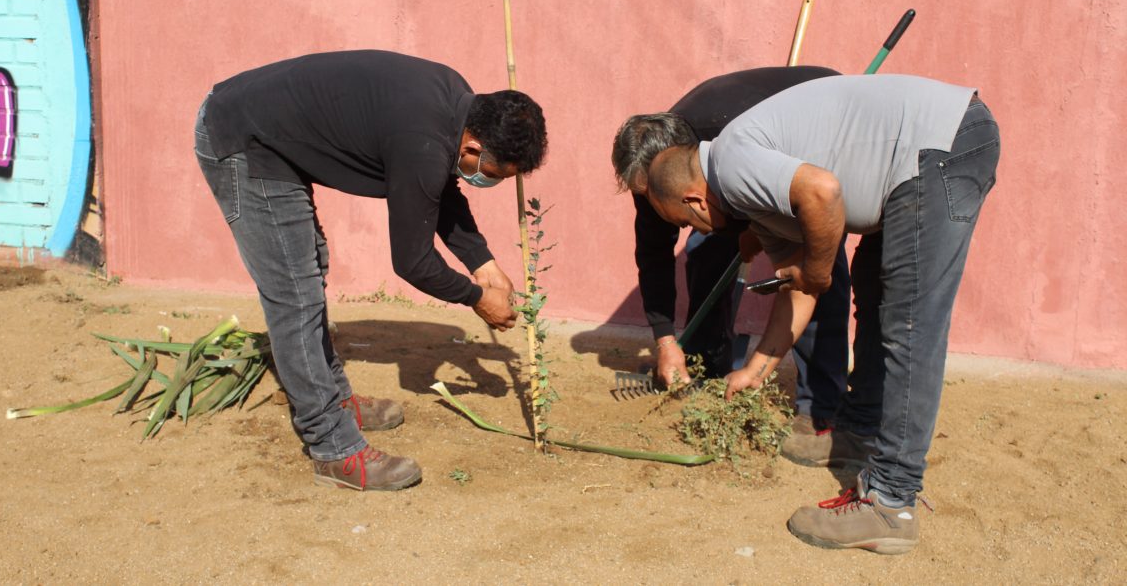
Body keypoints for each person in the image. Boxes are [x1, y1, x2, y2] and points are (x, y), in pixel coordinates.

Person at [644, 73, 998, 554]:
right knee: (876, 296)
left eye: (688, 222)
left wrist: (817, 269)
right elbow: (798, 290)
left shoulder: (731, 164)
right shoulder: (753, 194)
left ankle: (891, 503)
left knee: (910, 323)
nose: (696, 229)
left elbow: (824, 192)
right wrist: (757, 368)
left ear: (694, 199)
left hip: (936, 147)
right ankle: (860, 429)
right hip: (924, 153)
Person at [194, 50, 547, 492]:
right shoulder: (422, 138)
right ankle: (332, 447)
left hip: (269, 134)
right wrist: (476, 299)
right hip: (243, 139)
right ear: (473, 147)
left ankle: (333, 397)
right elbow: (413, 262)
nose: (489, 182)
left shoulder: (455, 102)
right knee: (294, 293)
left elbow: (441, 190)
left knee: (308, 267)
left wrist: (484, 263)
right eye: (493, 173)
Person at [611, 67, 854, 460]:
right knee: (705, 247)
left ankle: (821, 407)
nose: (650, 204)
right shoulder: (654, 170)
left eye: (651, 193)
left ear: (676, 162)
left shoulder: (730, 137)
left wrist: (754, 230)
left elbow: (813, 193)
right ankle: (706, 365)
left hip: (814, 153)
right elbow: (653, 254)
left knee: (816, 271)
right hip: (718, 182)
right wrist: (665, 341)